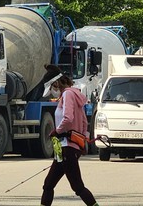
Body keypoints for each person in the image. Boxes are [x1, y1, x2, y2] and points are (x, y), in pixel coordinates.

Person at [40, 64, 99, 206]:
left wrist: (56, 131)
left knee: (78, 187)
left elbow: (68, 118)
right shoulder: (75, 94)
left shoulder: (67, 94)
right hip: (67, 148)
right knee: (48, 184)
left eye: (52, 87)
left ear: (56, 83)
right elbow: (84, 122)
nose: (52, 91)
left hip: (67, 147)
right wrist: (83, 141)